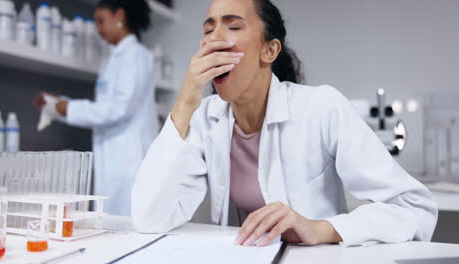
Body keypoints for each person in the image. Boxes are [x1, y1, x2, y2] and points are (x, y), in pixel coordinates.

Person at [131, 0, 437, 247]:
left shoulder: (321, 107)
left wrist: (320, 228)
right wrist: (185, 100)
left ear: (269, 50)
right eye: (208, 30)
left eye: (233, 26)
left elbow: (415, 209)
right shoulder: (203, 118)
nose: (214, 40)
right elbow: (149, 218)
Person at [33, 0, 158, 216]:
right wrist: (59, 106)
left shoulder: (136, 55)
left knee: (128, 228)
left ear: (120, 15)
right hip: (112, 159)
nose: (98, 29)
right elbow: (103, 108)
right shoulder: (112, 60)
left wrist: (68, 108)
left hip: (130, 160)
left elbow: (119, 108)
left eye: (101, 21)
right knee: (111, 225)